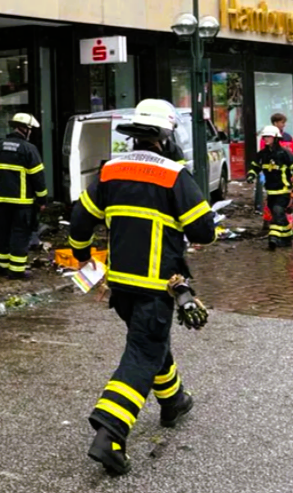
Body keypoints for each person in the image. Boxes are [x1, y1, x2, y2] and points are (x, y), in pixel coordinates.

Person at [68, 98, 216, 476]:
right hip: (158, 286)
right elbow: (205, 231)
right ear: (166, 137)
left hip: (120, 287)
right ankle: (110, 434)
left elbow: (80, 220)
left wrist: (83, 255)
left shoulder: (110, 171)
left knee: (147, 344)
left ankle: (174, 401)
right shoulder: (173, 174)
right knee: (141, 355)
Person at [0, 113, 47, 279]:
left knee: (3, 233)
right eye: (31, 130)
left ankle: (1, 267)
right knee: (20, 235)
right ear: (26, 129)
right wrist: (42, 200)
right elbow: (38, 177)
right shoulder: (29, 149)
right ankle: (16, 270)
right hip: (22, 203)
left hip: (1, 202)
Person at [248, 125, 293, 250]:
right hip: (271, 191)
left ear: (275, 138)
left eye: (268, 136)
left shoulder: (285, 154)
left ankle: (273, 237)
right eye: (264, 136)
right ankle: (286, 238)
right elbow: (255, 166)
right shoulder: (262, 154)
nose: (265, 139)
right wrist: (251, 175)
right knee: (277, 214)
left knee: (278, 211)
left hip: (284, 190)